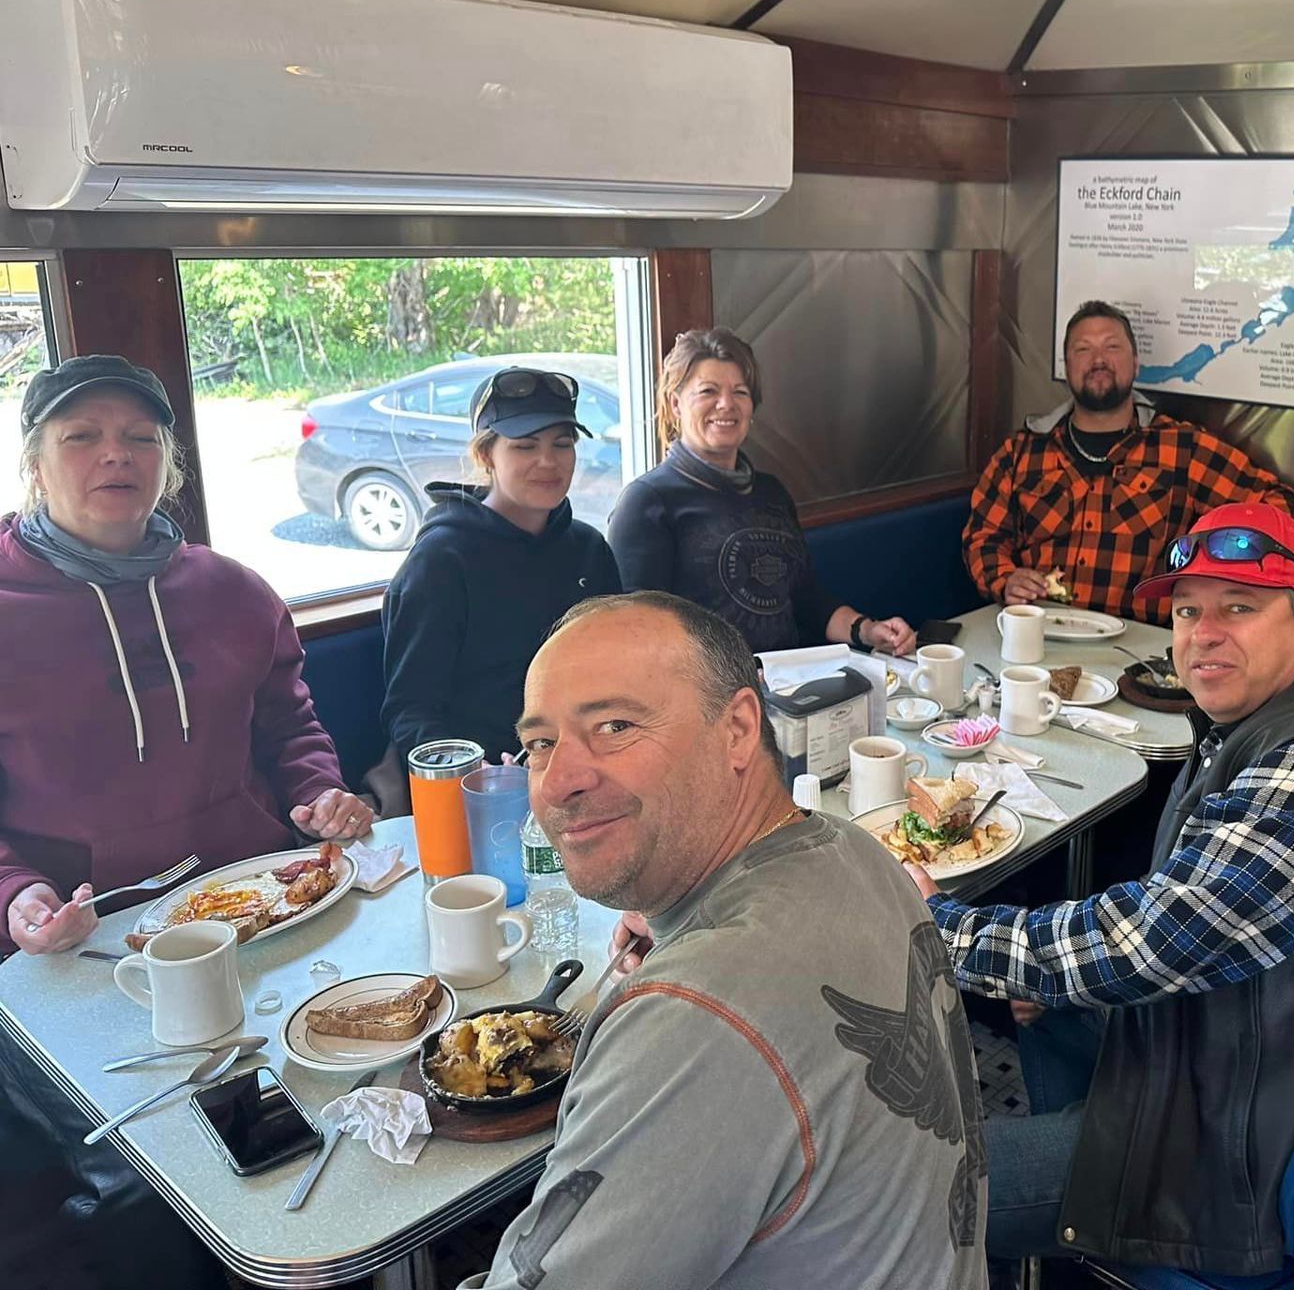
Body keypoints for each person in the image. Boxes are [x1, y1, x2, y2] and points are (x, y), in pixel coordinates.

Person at [913, 503, 1294, 1275]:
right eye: (1188, 610)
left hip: (1239, 1145)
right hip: (1247, 1047)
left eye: (1241, 606)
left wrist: (935, 923)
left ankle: (1094, 1204)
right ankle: (1073, 1239)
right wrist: (1060, 976)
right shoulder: (1271, 719)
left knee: (904, 1183)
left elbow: (1149, 944)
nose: (1204, 632)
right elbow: (1170, 925)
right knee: (1043, 1002)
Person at [460, 592, 985, 1289]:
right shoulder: (859, 852)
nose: (558, 783)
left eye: (615, 726)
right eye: (540, 745)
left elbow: (721, 1028)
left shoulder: (691, 1021)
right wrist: (679, 920)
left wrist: (687, 982)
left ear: (738, 728)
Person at [0, 356, 371, 957]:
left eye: (141, 438)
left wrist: (321, 792)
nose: (117, 454)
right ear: (36, 466)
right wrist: (14, 891)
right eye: (81, 436)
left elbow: (289, 727)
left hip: (265, 899)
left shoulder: (234, 591)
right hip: (89, 932)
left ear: (166, 464)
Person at [963, 300, 1294, 623]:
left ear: (1136, 362)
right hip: (1037, 632)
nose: (1098, 359)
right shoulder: (1021, 451)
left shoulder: (1182, 448)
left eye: (1112, 347)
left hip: (1142, 647)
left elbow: (1283, 510)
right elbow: (983, 537)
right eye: (1083, 350)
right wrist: (1006, 579)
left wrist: (1215, 565)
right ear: (1066, 368)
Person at [608, 330, 916, 657]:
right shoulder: (646, 502)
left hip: (791, 685)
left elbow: (806, 599)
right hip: (709, 697)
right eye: (708, 391)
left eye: (739, 392)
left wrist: (869, 630)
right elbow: (638, 637)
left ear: (751, 408)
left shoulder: (772, 493)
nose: (726, 404)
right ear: (676, 403)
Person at [382, 366, 620, 767]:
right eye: (525, 446)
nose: (548, 461)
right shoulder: (441, 561)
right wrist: (478, 772)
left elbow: (619, 665)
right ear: (485, 454)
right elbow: (411, 712)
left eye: (562, 444)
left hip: (591, 759)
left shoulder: (589, 548)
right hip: (489, 779)